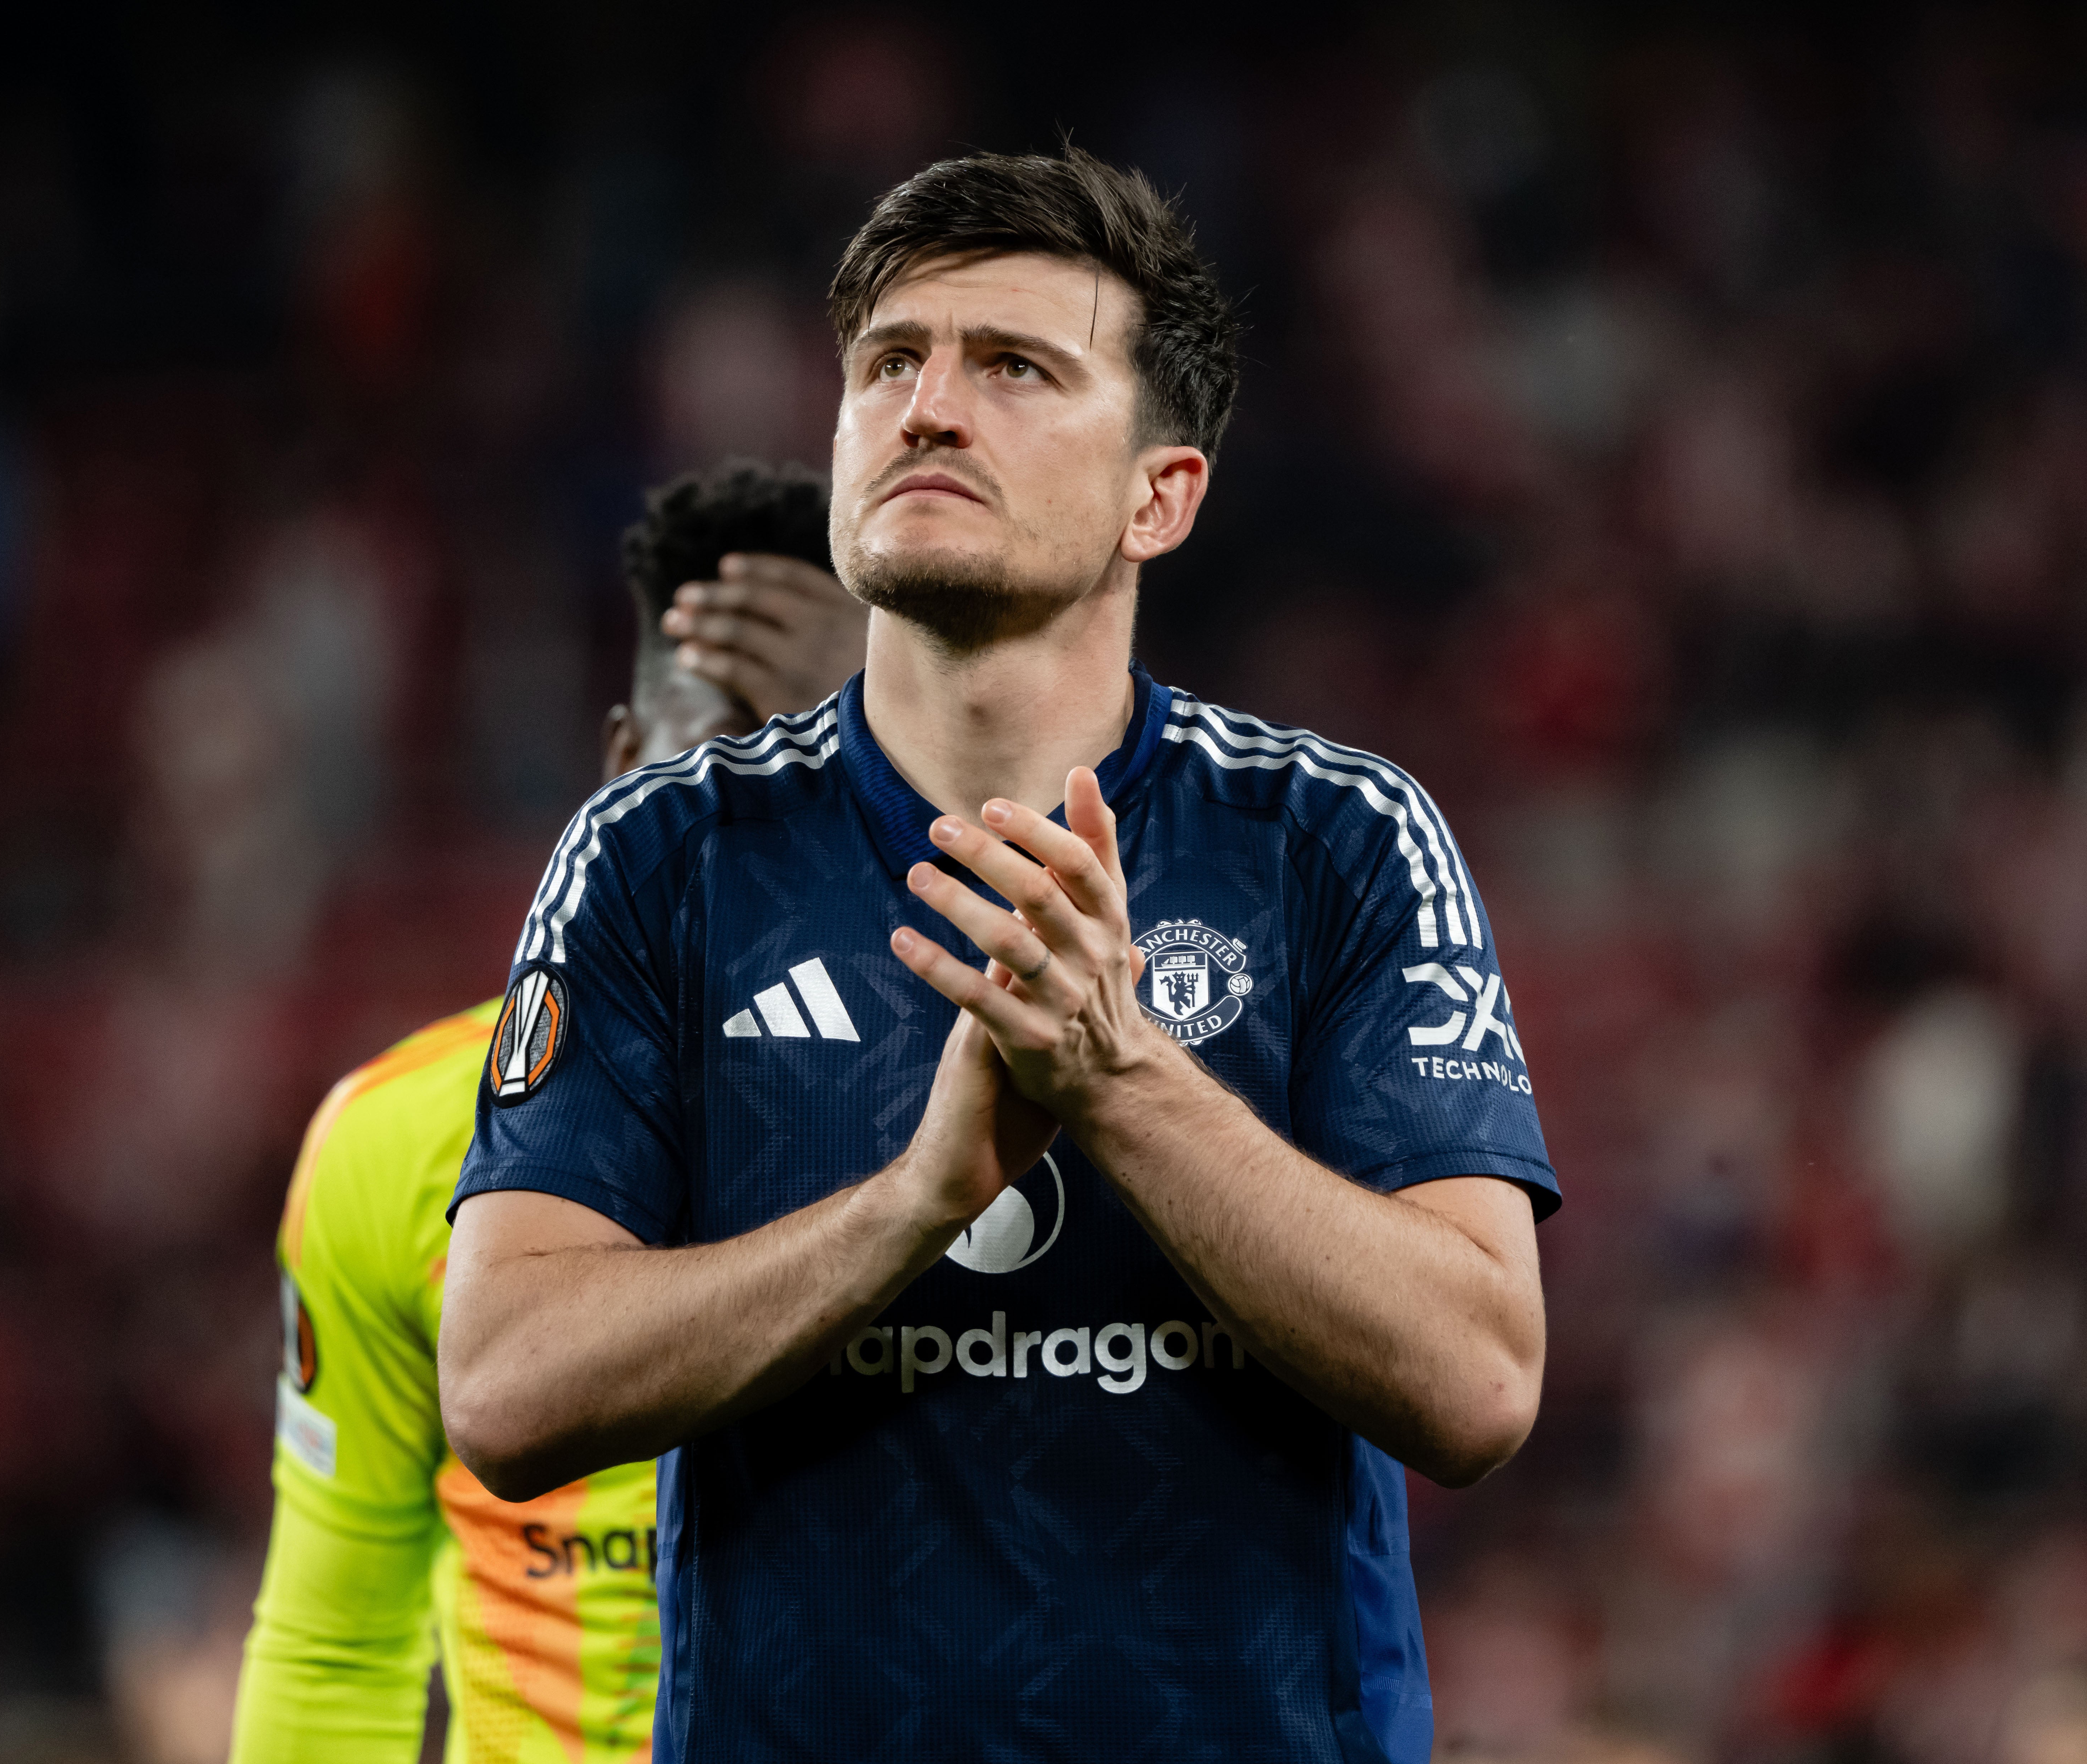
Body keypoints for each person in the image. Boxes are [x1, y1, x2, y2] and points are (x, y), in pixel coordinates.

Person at [441, 148, 1558, 1764]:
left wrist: (1118, 1081)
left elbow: (1477, 1383)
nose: (928, 407)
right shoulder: (659, 860)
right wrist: (912, 1204)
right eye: (889, 363)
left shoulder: (1337, 842)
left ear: (1158, 494)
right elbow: (505, 1384)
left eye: (1015, 368)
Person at [229, 461, 861, 1761]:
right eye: (722, 743)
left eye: (823, 763)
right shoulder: (399, 1142)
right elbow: (337, 1645)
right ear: (624, 767)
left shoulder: (994, 1140)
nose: (758, 811)